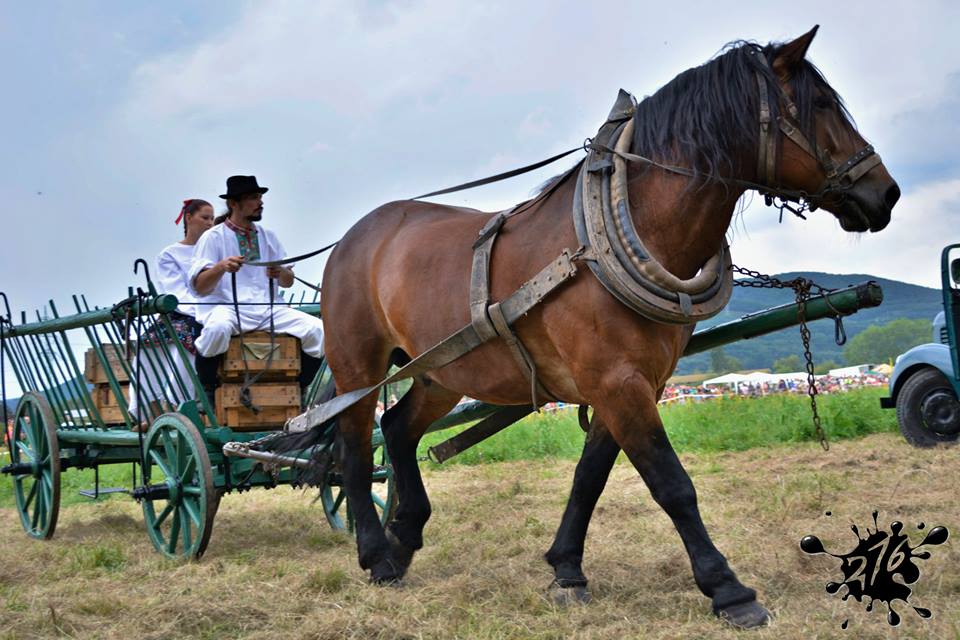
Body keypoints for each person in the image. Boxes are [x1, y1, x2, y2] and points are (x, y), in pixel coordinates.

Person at [188, 175, 324, 405]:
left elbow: (288, 281)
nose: (260, 202)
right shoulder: (213, 237)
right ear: (233, 203)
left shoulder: (268, 237)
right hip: (227, 308)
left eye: (260, 197)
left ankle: (299, 387)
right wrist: (221, 267)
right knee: (217, 329)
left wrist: (280, 272)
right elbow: (199, 287)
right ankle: (209, 391)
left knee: (317, 330)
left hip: (268, 309)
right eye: (253, 198)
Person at [129, 199, 214, 427]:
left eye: (212, 219)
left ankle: (178, 406)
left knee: (195, 338)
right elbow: (176, 293)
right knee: (155, 347)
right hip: (182, 313)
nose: (210, 223)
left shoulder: (216, 249)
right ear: (189, 218)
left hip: (217, 310)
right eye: (204, 218)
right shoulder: (170, 254)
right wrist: (200, 311)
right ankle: (157, 412)